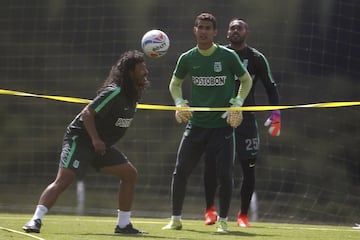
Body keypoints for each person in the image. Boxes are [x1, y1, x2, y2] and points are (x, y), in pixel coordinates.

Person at [22, 50, 149, 235]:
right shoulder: (114, 92)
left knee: (129, 174)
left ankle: (123, 225)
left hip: (100, 147)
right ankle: (35, 220)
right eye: (141, 68)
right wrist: (95, 139)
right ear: (130, 72)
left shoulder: (132, 97)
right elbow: (87, 113)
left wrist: (100, 143)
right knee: (64, 180)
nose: (146, 71)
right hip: (81, 140)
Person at [161, 13, 253, 233]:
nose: (203, 31)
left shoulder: (228, 56)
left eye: (207, 28)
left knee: (224, 175)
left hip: (222, 128)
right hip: (196, 126)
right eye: (200, 27)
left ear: (215, 32)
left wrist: (238, 102)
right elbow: (174, 84)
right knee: (180, 170)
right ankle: (176, 219)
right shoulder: (187, 58)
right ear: (194, 30)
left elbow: (246, 80)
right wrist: (180, 102)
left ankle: (223, 222)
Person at [203, 18, 280, 227]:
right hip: (219, 120)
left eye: (239, 28)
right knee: (213, 164)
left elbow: (271, 86)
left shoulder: (256, 58)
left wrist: (276, 114)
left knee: (249, 167)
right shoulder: (218, 54)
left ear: (247, 32)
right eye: (232, 28)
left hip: (246, 121)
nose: (235, 30)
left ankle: (243, 215)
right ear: (226, 33)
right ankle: (210, 209)